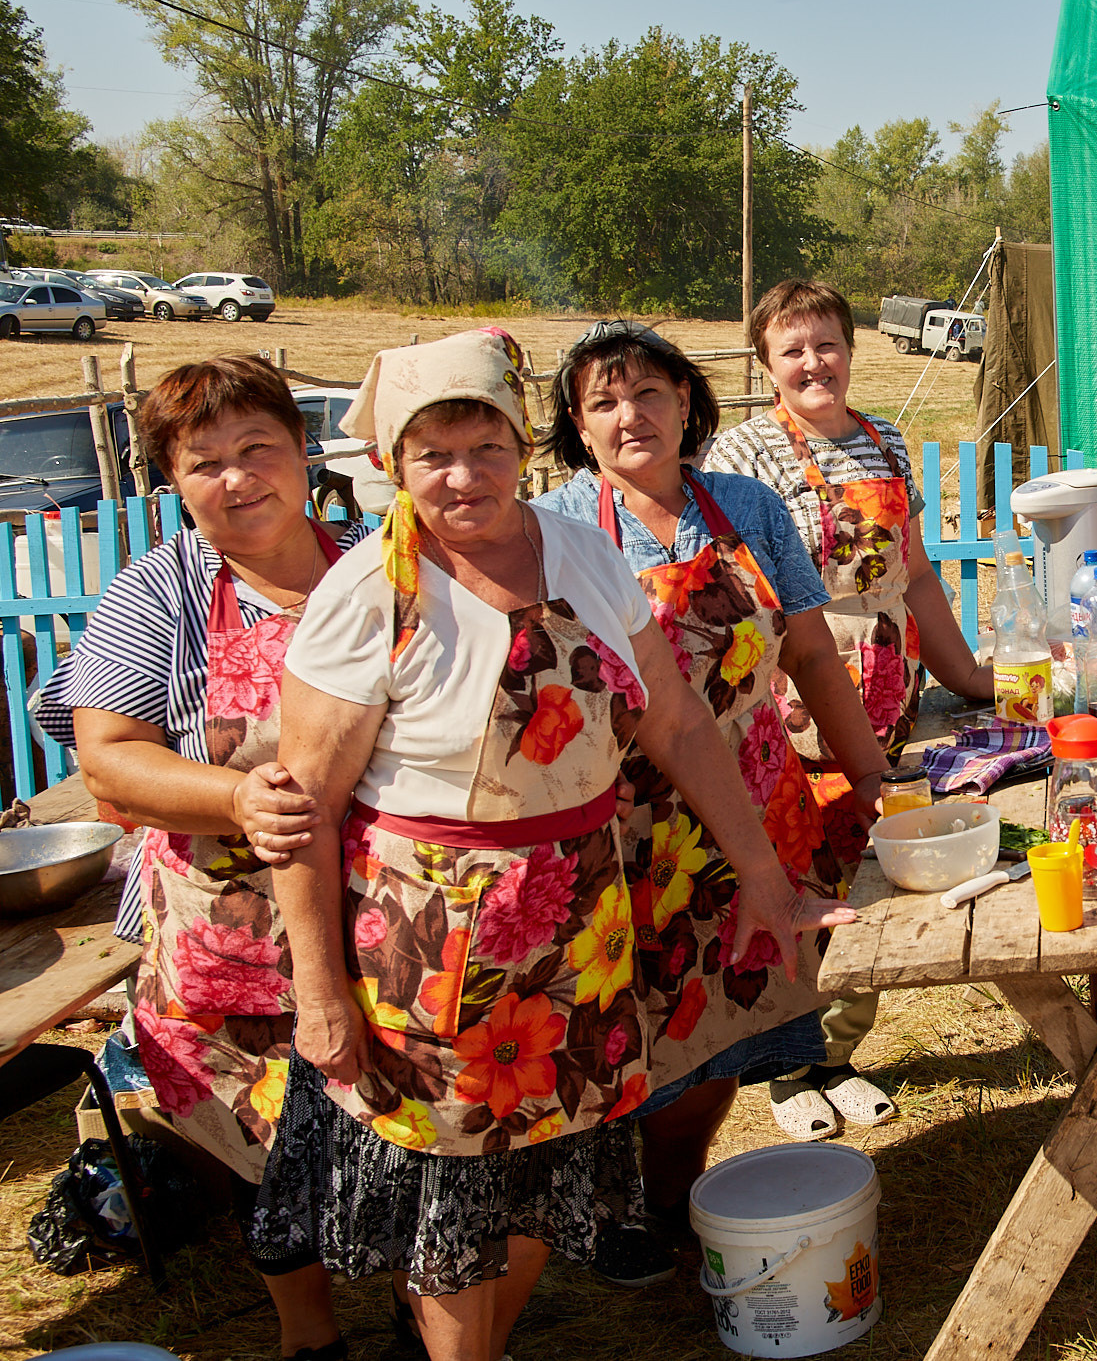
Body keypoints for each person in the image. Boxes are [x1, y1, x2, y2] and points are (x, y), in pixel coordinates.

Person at [264, 330, 852, 1361]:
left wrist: (764, 874)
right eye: (432, 453)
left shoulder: (579, 550)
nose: (463, 476)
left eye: (485, 445)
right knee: (460, 1203)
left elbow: (671, 724)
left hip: (584, 922)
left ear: (521, 445)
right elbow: (304, 812)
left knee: (553, 1167)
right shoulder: (365, 594)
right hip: (438, 948)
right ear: (393, 465)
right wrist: (318, 993)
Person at [35, 355, 368, 1361]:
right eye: (203, 462)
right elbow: (109, 766)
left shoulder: (379, 570)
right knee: (271, 1164)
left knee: (404, 1140)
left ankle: (422, 1306)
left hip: (388, 924)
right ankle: (308, 1336)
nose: (236, 479)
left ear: (302, 452)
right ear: (172, 483)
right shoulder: (160, 593)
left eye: (256, 449)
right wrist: (237, 798)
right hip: (226, 955)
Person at [536, 320, 891, 1238]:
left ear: (687, 400)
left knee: (726, 1029)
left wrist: (873, 780)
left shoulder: (746, 508)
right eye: (602, 403)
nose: (630, 416)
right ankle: (624, 1205)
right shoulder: (560, 530)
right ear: (578, 426)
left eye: (647, 393)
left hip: (761, 811)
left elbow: (811, 652)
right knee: (639, 1034)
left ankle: (665, 1199)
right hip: (631, 831)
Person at [704, 279, 993, 1132]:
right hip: (801, 697)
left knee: (871, 878)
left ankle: (835, 1052)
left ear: (851, 350)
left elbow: (916, 575)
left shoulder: (888, 440)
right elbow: (739, 595)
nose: (812, 362)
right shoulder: (741, 454)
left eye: (826, 342)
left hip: (892, 697)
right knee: (807, 879)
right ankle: (791, 1072)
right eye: (791, 349)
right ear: (766, 362)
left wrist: (969, 680)